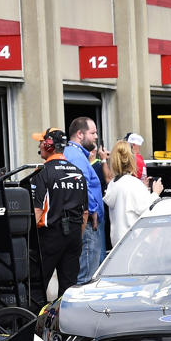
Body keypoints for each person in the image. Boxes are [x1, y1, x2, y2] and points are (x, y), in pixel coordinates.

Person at [30, 128, 88, 303]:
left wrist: (28, 238)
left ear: (49, 145)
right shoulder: (78, 172)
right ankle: (65, 326)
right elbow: (84, 212)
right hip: (74, 235)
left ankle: (35, 327)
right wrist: (78, 236)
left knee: (36, 286)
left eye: (41, 141)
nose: (39, 145)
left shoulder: (42, 173)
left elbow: (37, 211)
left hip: (50, 236)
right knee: (68, 289)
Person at [64, 117, 105, 284]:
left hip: (83, 220)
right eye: (93, 133)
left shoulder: (74, 154)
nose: (96, 137)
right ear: (80, 134)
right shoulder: (76, 156)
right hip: (87, 222)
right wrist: (93, 210)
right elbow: (83, 187)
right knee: (87, 279)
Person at [103, 139, 163, 244]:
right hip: (134, 243)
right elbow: (148, 210)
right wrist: (156, 193)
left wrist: (141, 187)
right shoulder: (132, 184)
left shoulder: (113, 184)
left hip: (118, 244)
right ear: (131, 159)